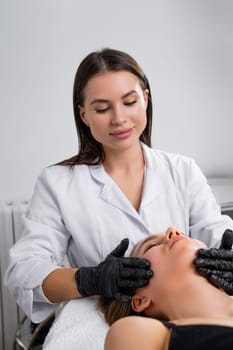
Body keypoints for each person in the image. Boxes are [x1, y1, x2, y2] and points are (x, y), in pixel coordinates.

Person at [4, 48, 233, 325]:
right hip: (106, 321)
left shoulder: (182, 171)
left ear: (145, 99)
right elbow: (24, 271)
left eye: (129, 102)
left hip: (187, 313)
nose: (119, 118)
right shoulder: (58, 183)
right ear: (84, 115)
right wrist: (90, 279)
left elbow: (216, 234)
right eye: (102, 108)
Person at [103, 227, 233, 350]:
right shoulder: (142, 335)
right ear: (140, 300)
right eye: (152, 246)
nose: (173, 230)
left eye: (185, 234)